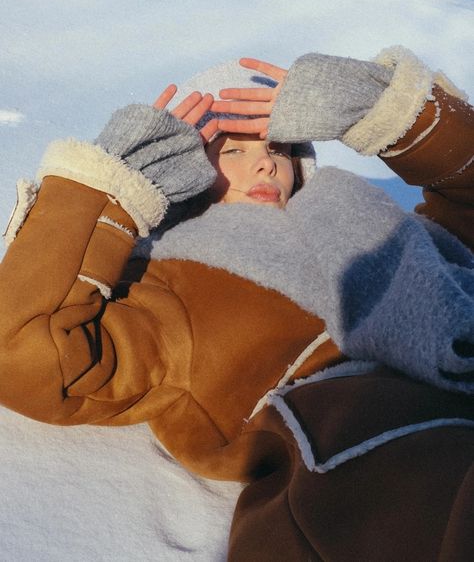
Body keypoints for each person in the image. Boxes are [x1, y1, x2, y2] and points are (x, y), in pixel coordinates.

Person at [0, 46, 473, 561]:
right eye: (233, 152)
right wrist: (102, 193)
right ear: (185, 174)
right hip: (384, 482)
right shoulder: (175, 284)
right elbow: (26, 355)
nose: (266, 161)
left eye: (277, 146)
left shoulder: (378, 226)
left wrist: (391, 113)